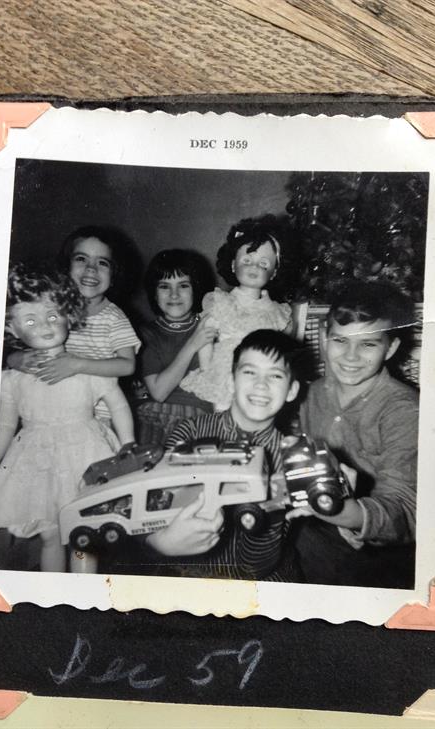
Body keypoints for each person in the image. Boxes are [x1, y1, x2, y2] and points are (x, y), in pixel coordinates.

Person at [0, 264, 135, 572]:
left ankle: (81, 593)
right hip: (36, 464)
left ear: (68, 316)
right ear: (12, 329)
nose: (45, 325)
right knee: (50, 535)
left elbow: (119, 406)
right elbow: (5, 425)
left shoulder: (87, 368)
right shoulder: (13, 379)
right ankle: (51, 593)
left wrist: (128, 445)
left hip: (85, 457)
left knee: (84, 533)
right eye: (31, 320)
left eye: (53, 316)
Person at [132, 329, 302, 581]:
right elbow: (150, 507)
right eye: (249, 372)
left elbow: (257, 566)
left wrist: (273, 509)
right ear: (231, 381)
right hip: (190, 576)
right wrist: (157, 543)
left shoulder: (293, 459)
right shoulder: (189, 433)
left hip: (261, 582)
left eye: (275, 375)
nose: (261, 385)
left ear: (291, 390)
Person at [292, 281, 419, 588]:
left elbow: (404, 511)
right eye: (340, 340)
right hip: (311, 527)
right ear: (324, 337)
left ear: (390, 348)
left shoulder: (405, 410)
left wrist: (338, 512)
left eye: (368, 344)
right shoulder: (310, 394)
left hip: (376, 554)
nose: (351, 357)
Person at [8, 226, 141, 426]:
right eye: (81, 259)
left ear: (114, 275)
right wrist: (14, 359)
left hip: (96, 418)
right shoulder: (49, 310)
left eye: (102, 262)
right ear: (65, 267)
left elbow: (127, 365)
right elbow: (22, 341)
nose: (91, 268)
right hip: (46, 413)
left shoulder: (113, 318)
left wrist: (78, 365)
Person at [180, 215, 295, 411]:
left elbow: (283, 349)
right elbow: (206, 338)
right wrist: (208, 371)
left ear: (274, 272)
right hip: (225, 374)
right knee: (225, 418)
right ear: (233, 265)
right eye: (247, 260)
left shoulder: (277, 313)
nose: (254, 267)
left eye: (264, 264)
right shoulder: (221, 302)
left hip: (261, 377)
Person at [137, 249, 216, 443]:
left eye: (183, 285)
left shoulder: (212, 323)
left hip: (205, 421)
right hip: (160, 420)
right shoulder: (147, 334)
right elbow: (159, 392)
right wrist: (192, 344)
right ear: (154, 293)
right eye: (164, 286)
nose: (174, 294)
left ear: (195, 288)